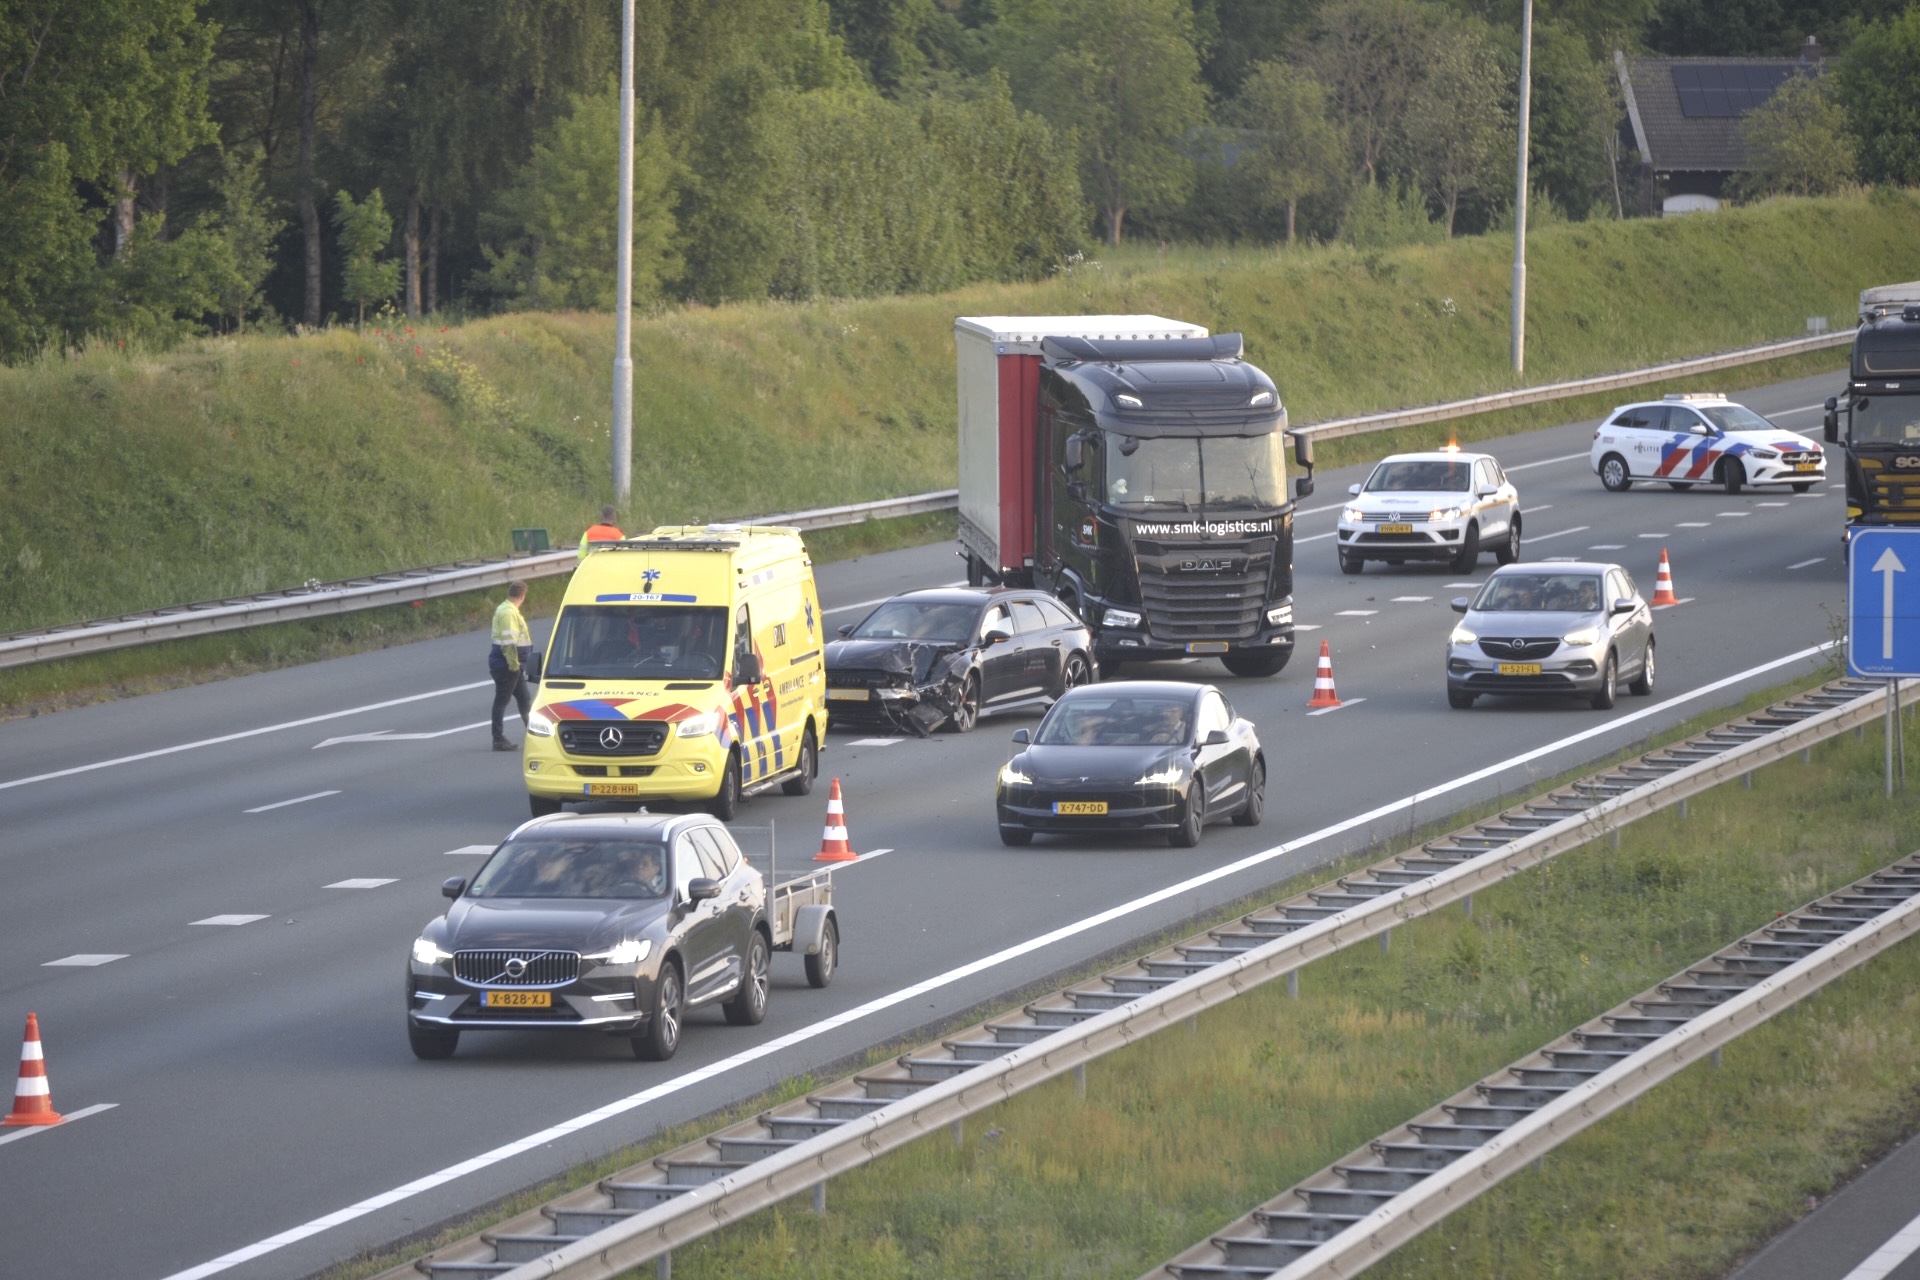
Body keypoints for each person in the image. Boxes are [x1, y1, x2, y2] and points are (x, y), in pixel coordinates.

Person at [489, 580, 535, 751]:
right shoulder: (509, 613)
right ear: (522, 596)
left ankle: (534, 734)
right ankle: (498, 738)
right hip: (507, 665)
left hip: (510, 664)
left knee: (524, 698)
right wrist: (514, 665)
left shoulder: (504, 608)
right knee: (502, 700)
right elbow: (509, 643)